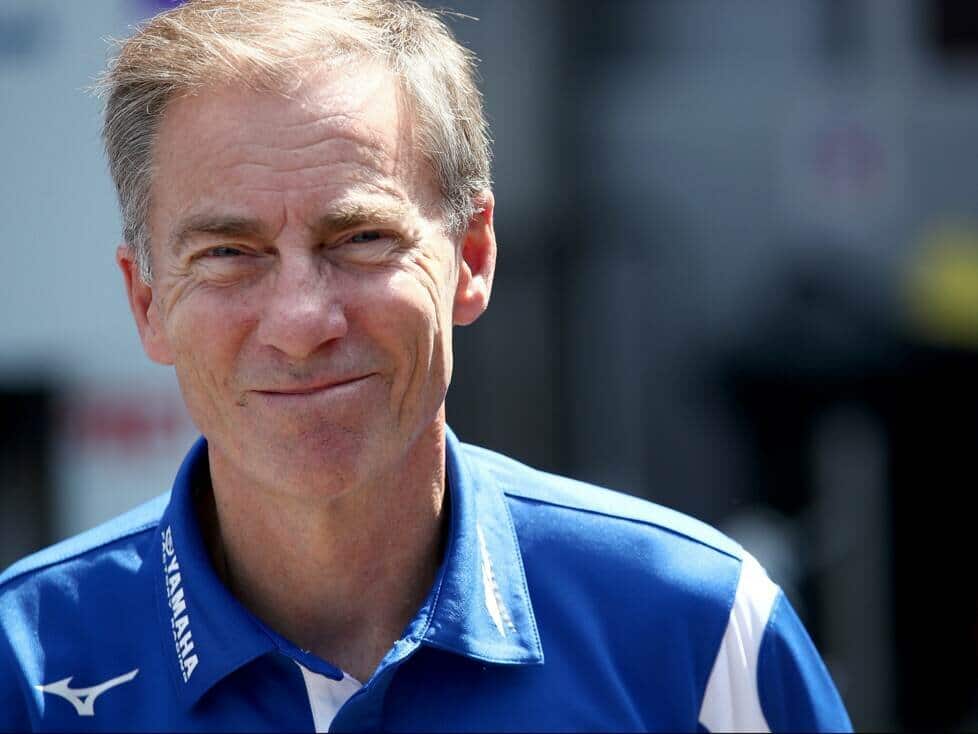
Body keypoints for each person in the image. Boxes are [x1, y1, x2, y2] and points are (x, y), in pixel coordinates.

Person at [0, 1, 852, 731]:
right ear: (147, 301)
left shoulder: (698, 631)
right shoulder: (22, 663)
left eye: (361, 238)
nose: (301, 323)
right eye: (228, 253)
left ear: (472, 256)